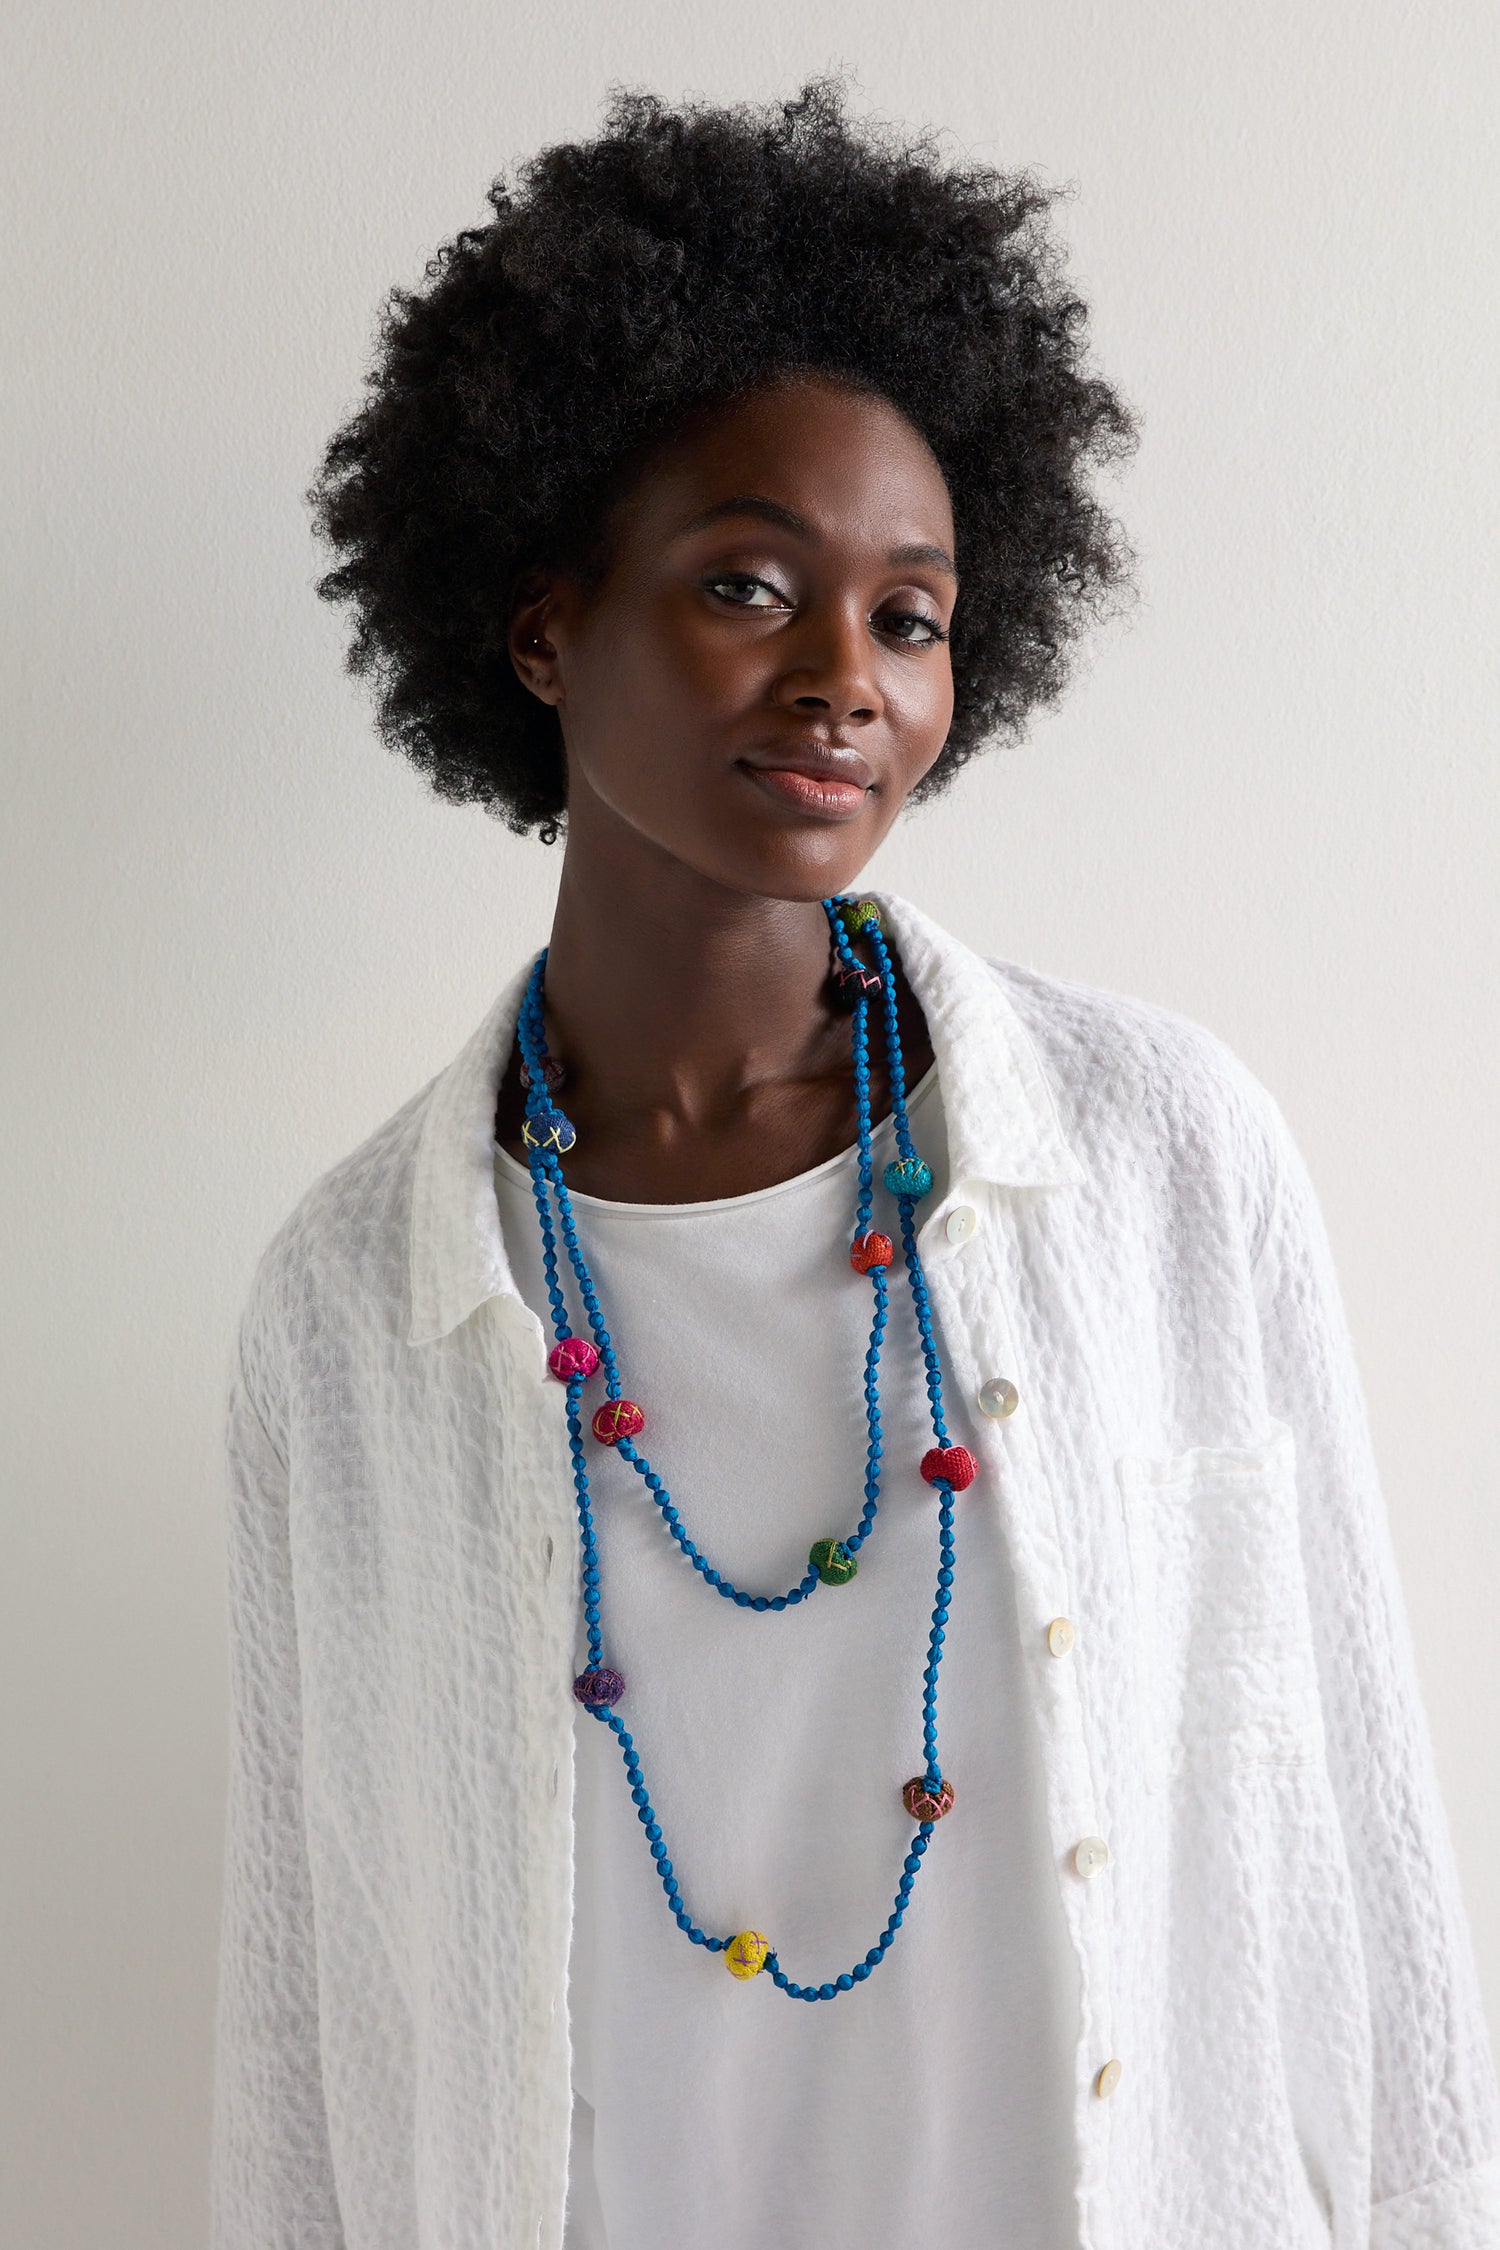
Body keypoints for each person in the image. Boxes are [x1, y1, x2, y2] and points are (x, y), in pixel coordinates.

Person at [209, 77, 1500, 2250]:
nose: (843, 683)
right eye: (749, 584)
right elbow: (307, 2024)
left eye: (909, 617)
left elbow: (1352, 1845)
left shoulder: (1167, 1159)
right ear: (541, 626)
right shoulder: (352, 1305)